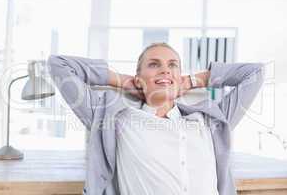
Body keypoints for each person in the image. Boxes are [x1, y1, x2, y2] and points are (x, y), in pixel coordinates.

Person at [47, 42, 265, 195]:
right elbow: (59, 65)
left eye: (172, 65)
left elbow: (254, 73)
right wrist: (121, 80)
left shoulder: (208, 121)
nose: (165, 70)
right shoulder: (117, 120)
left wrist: (192, 81)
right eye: (154, 64)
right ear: (138, 78)